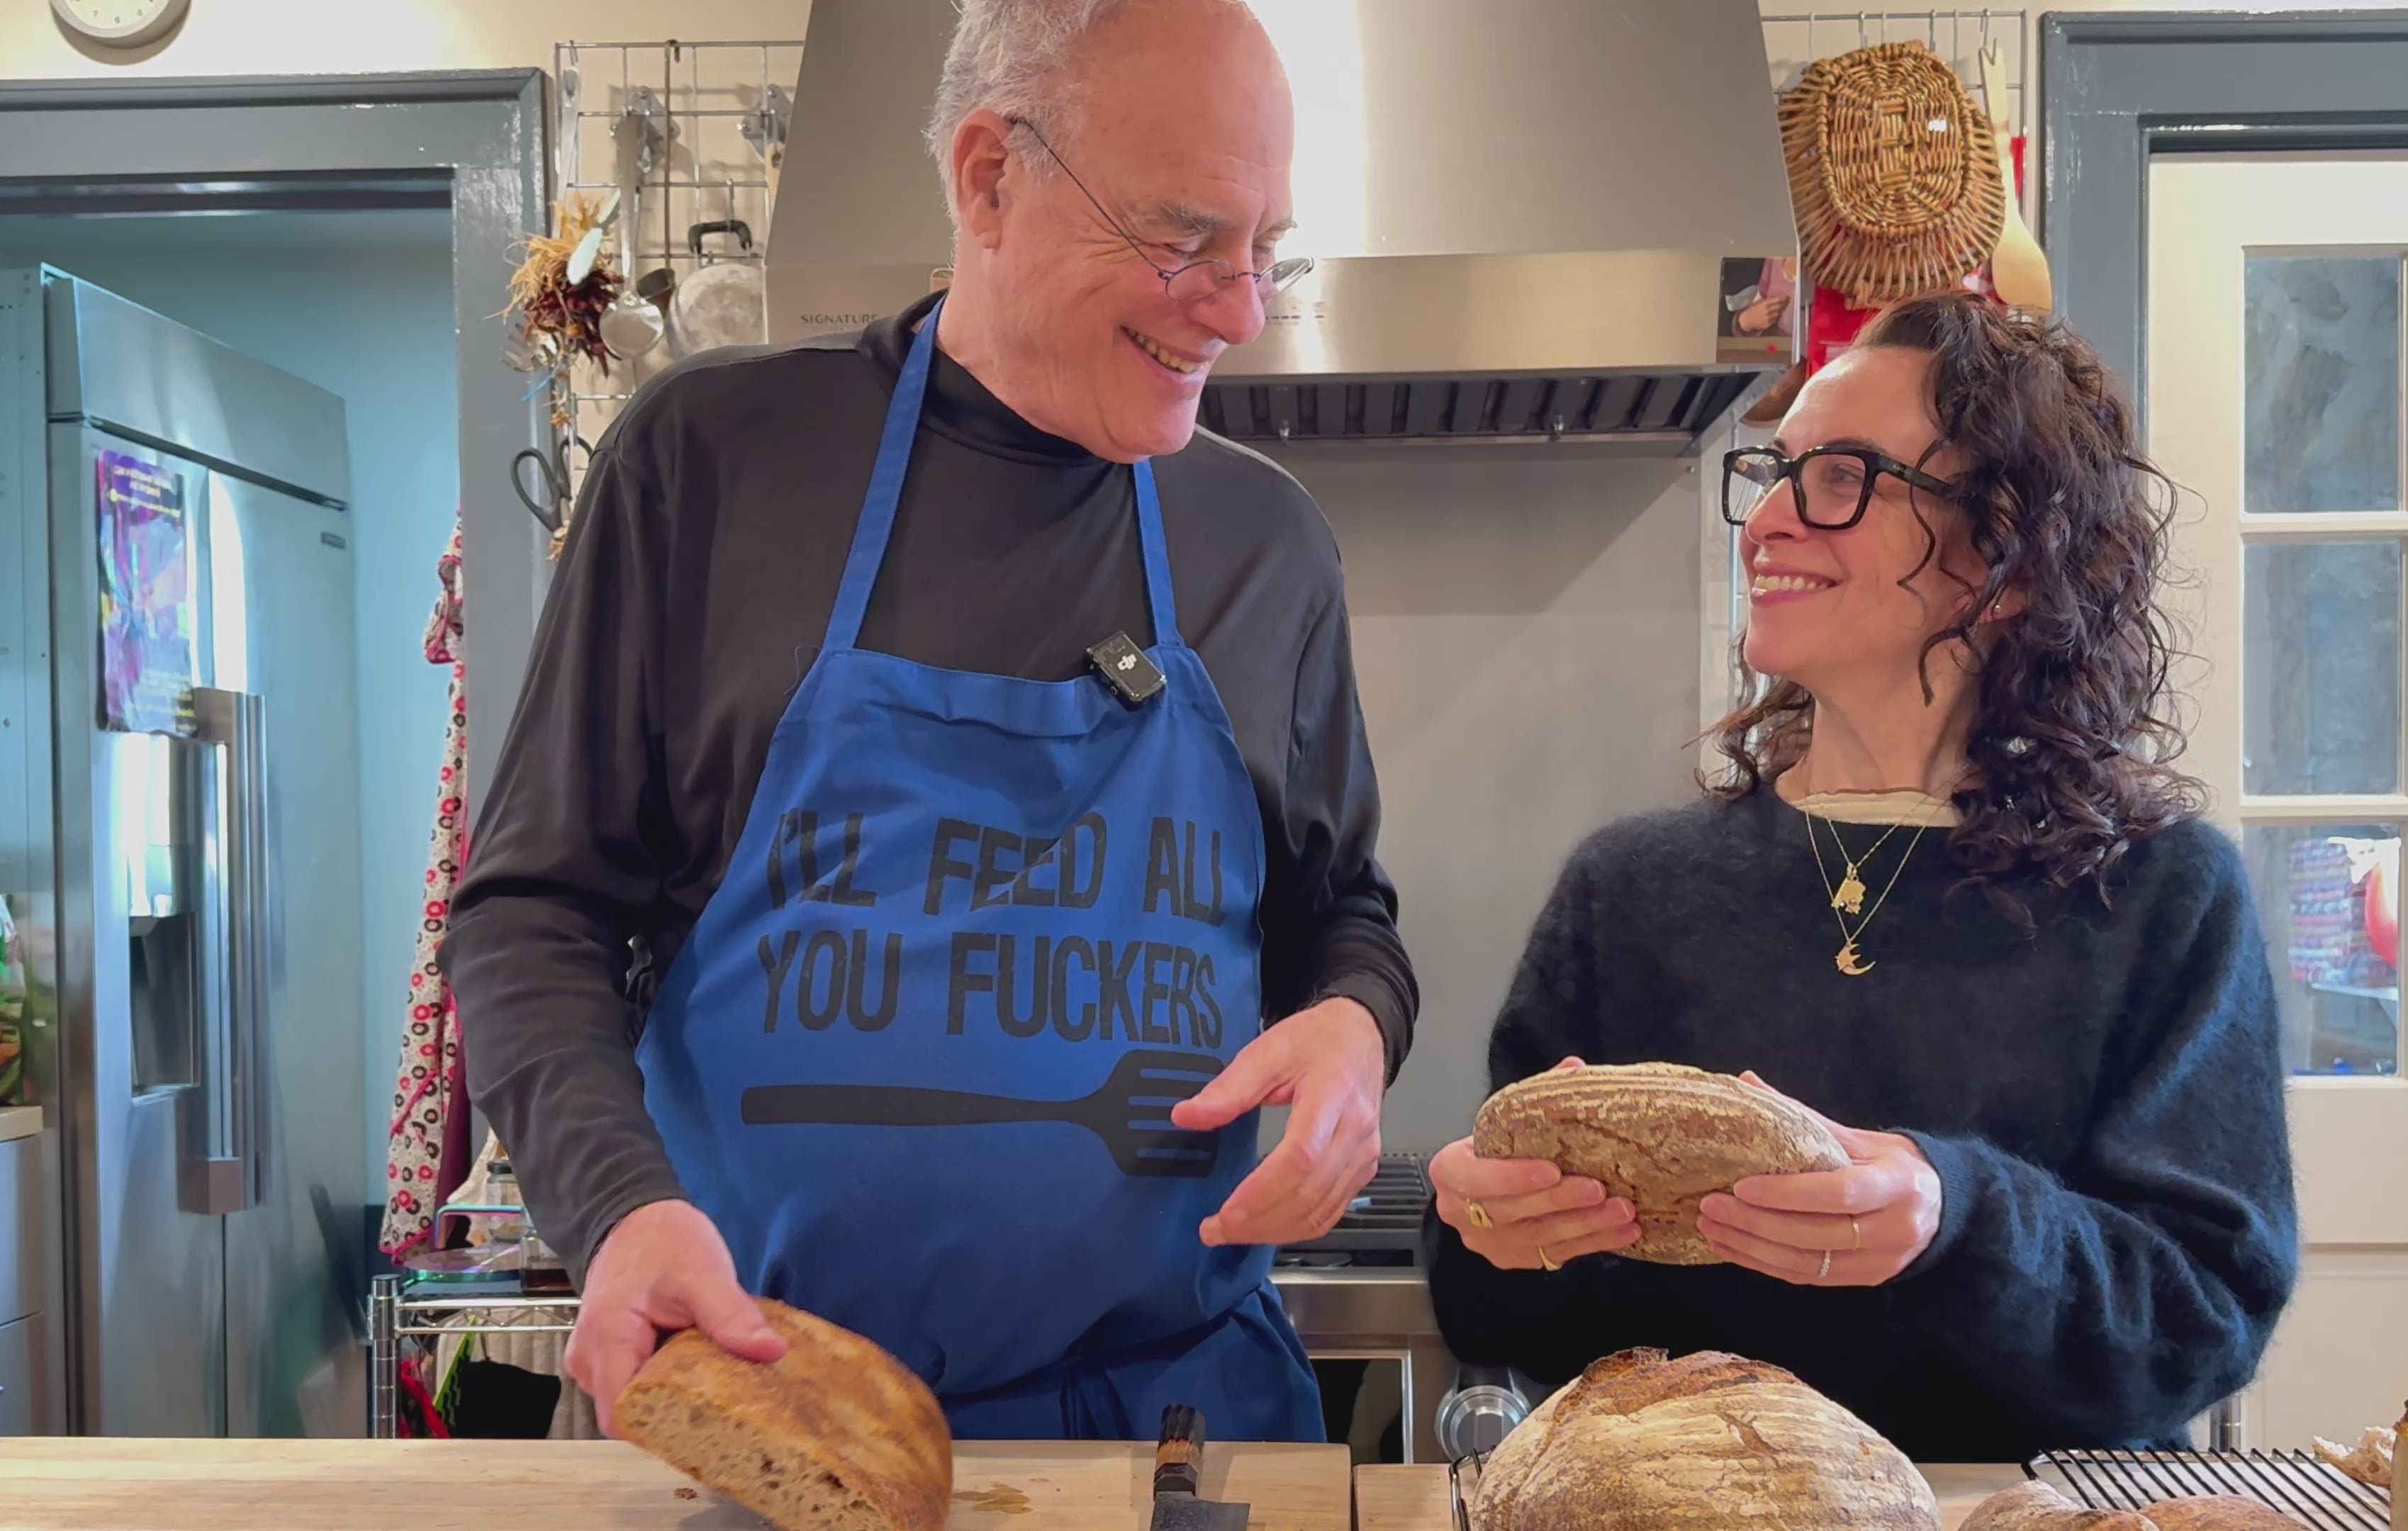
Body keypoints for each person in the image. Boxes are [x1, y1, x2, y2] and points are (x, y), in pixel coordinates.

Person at [447, 0, 1414, 1444]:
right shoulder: (710, 465)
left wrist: (1353, 1028)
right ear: (989, 177)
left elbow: (1343, 916)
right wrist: (620, 1213)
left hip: (1177, 1434)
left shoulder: (1265, 546)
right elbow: (532, 912)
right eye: (1184, 239)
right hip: (765, 1422)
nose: (1240, 309)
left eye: (1265, 247)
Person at [1423, 293, 2300, 1464]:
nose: (1767, 522)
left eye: (1842, 477)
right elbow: (1507, 1322)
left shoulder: (2158, 895)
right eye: (1774, 473)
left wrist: (1956, 1218)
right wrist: (1489, 1228)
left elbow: (2201, 1321)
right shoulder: (1630, 889)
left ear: (2008, 558)